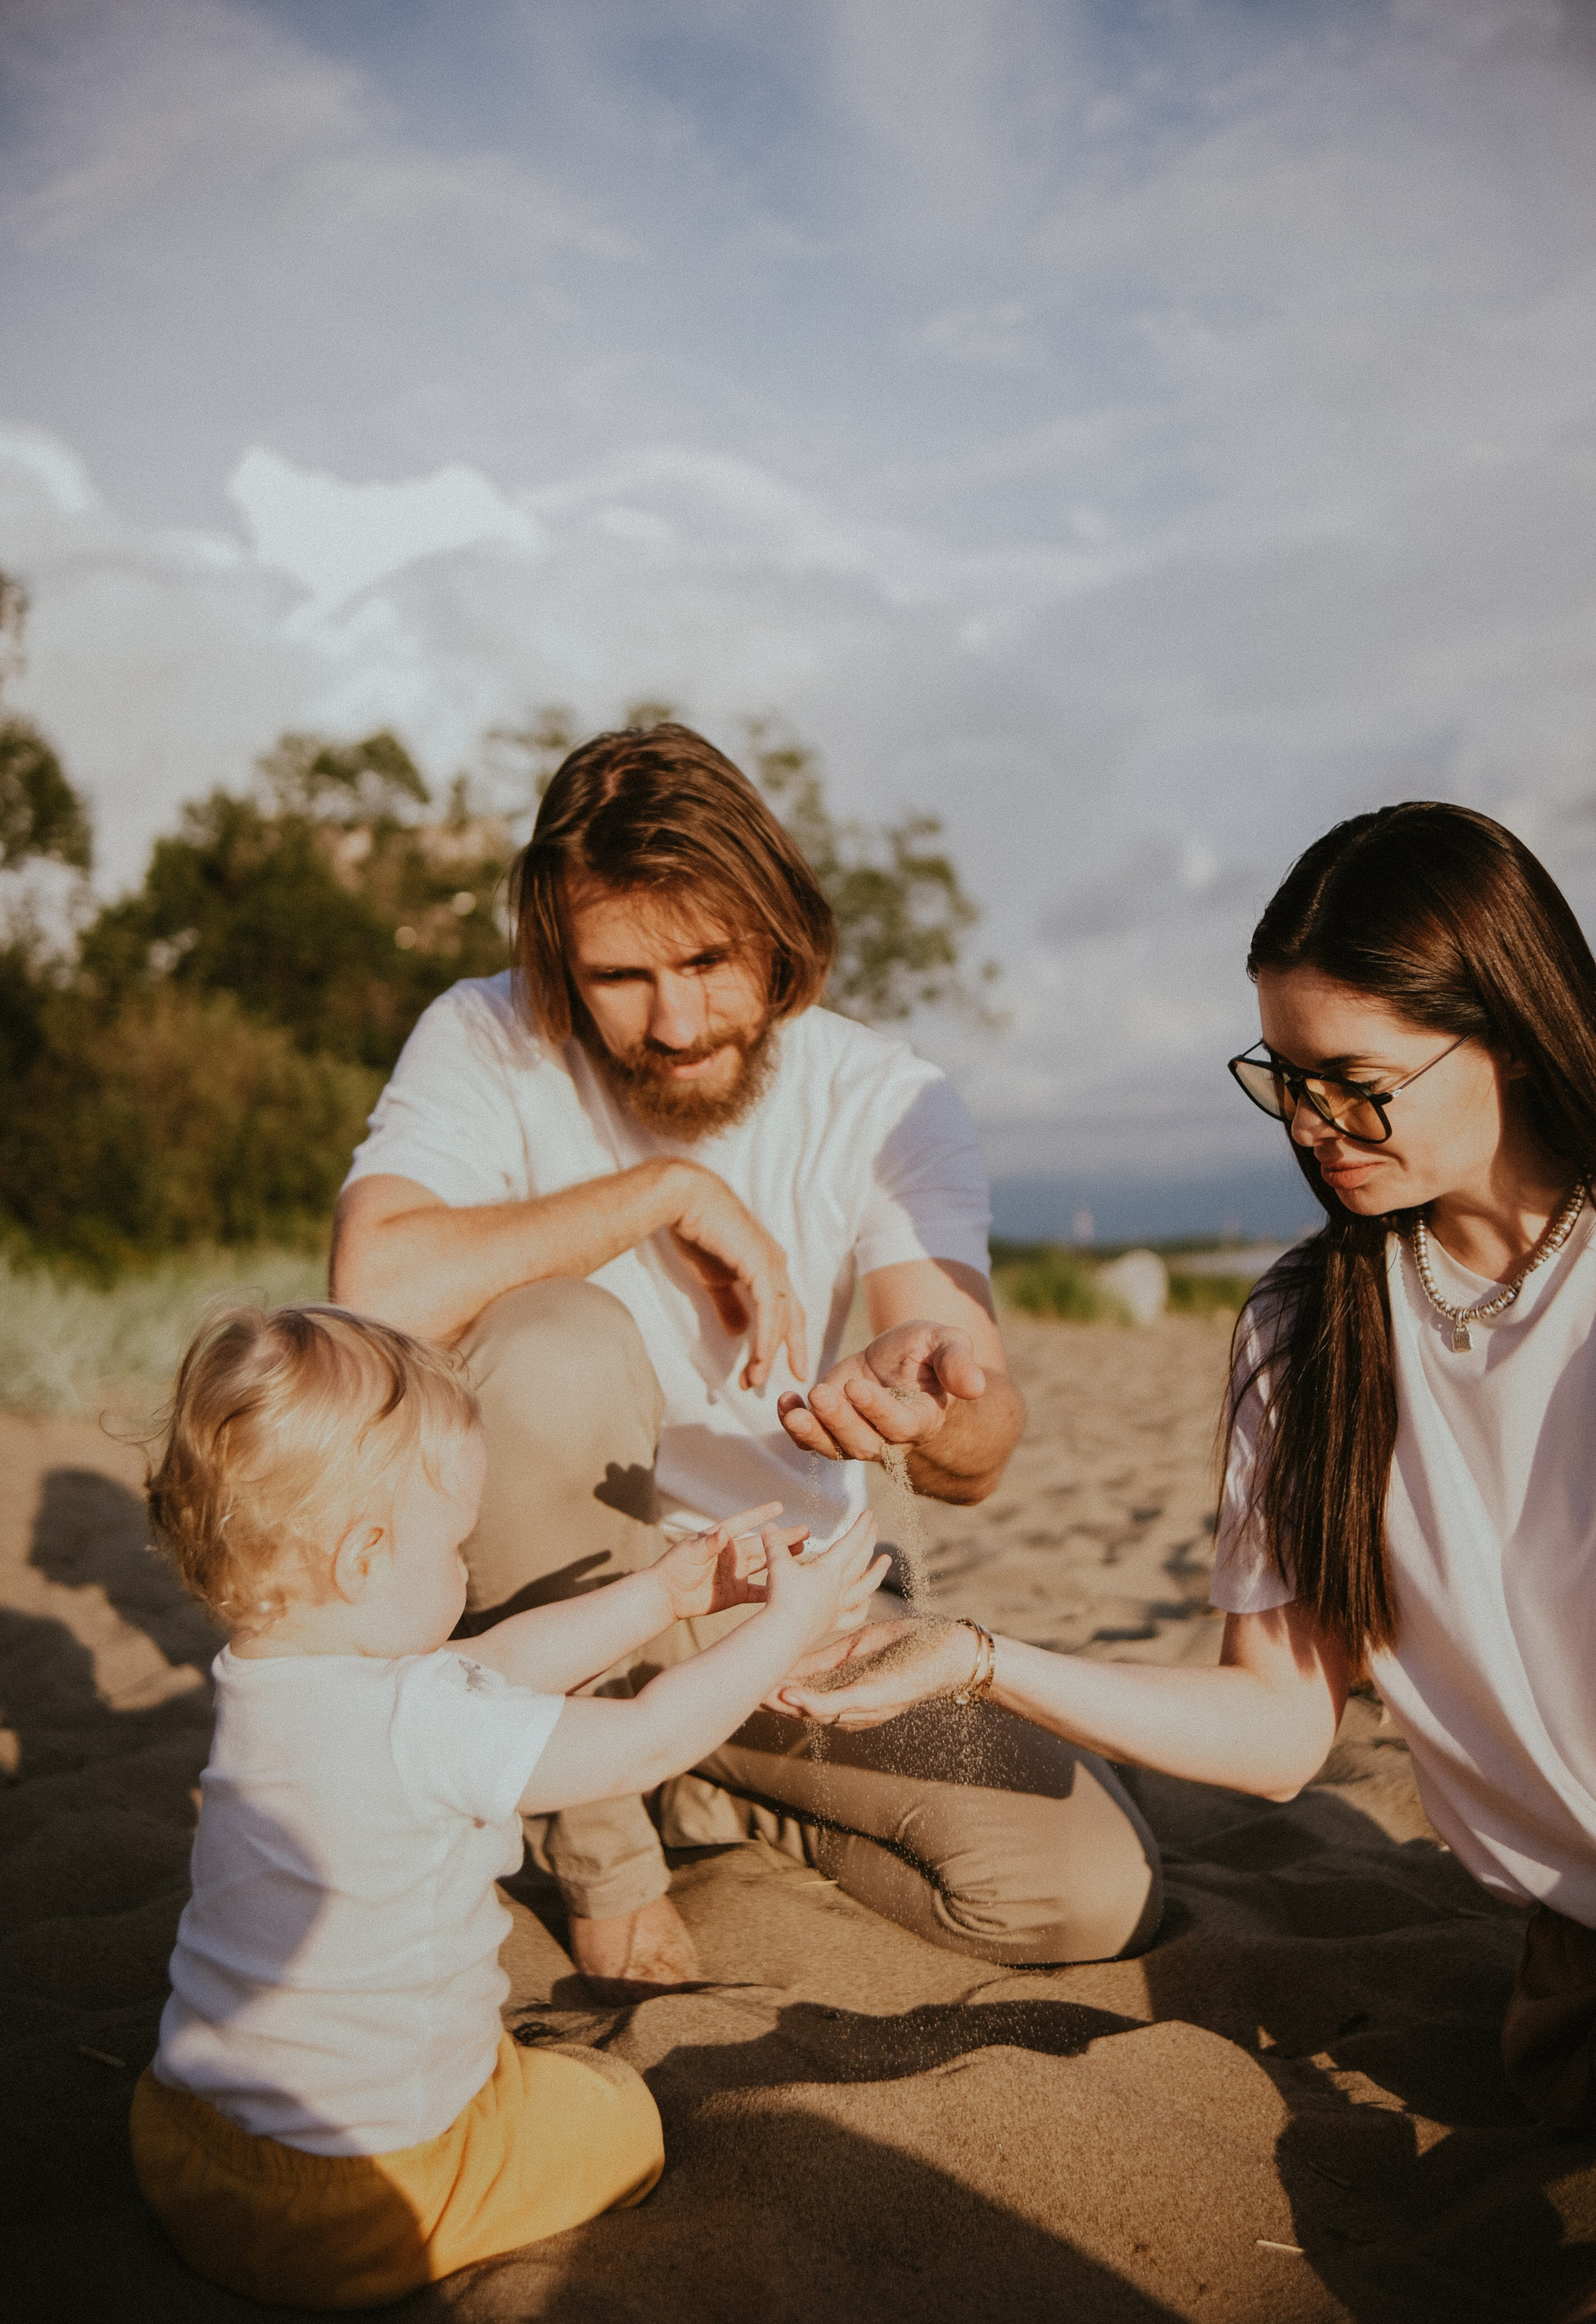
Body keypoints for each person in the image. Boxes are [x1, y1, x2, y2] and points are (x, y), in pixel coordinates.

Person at [777, 801, 1596, 2133]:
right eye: (1280, 1075)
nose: (1312, 1124)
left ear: (1501, 1029)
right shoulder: (1304, 1333)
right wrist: (980, 1658)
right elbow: (1278, 1733)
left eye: (1354, 1078)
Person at [330, 723, 1161, 1994]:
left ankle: (688, 1773)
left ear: (778, 928)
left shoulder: (888, 1099)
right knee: (555, 1339)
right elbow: (371, 1287)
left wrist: (922, 1398)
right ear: (558, 958)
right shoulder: (487, 1036)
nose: (671, 1022)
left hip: (777, 1600)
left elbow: (978, 1454)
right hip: (531, 1617)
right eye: (617, 976)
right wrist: (660, 1193)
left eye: (708, 960)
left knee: (1081, 1891)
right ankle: (605, 1855)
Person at [130, 1301, 885, 2311]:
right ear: (362, 1559)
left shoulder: (270, 1679)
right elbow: (646, 1740)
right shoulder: (422, 1720)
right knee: (620, 2120)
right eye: (455, 1549)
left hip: (189, 2146)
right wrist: (784, 1631)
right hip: (363, 2197)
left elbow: (485, 1666)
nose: (465, 1569)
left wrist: (661, 1596)